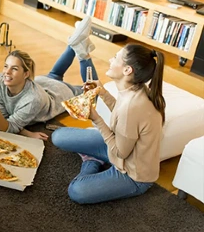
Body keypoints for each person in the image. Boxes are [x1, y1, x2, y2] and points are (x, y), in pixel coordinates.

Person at [51, 43, 166, 204]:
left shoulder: (133, 106)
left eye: (116, 57)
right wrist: (103, 92)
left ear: (127, 70)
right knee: (58, 136)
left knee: (76, 191)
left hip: (132, 174)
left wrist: (96, 119)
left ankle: (92, 161)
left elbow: (120, 152)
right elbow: (122, 117)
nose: (111, 60)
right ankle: (97, 157)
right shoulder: (135, 90)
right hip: (119, 147)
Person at [0, 16, 98, 141]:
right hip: (41, 83)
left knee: (93, 93)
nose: (6, 72)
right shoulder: (0, 80)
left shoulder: (33, 100)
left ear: (26, 74)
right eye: (6, 66)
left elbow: (9, 127)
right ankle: (76, 42)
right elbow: (5, 117)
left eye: (14, 68)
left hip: (58, 93)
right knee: (54, 75)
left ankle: (83, 53)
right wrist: (27, 132)